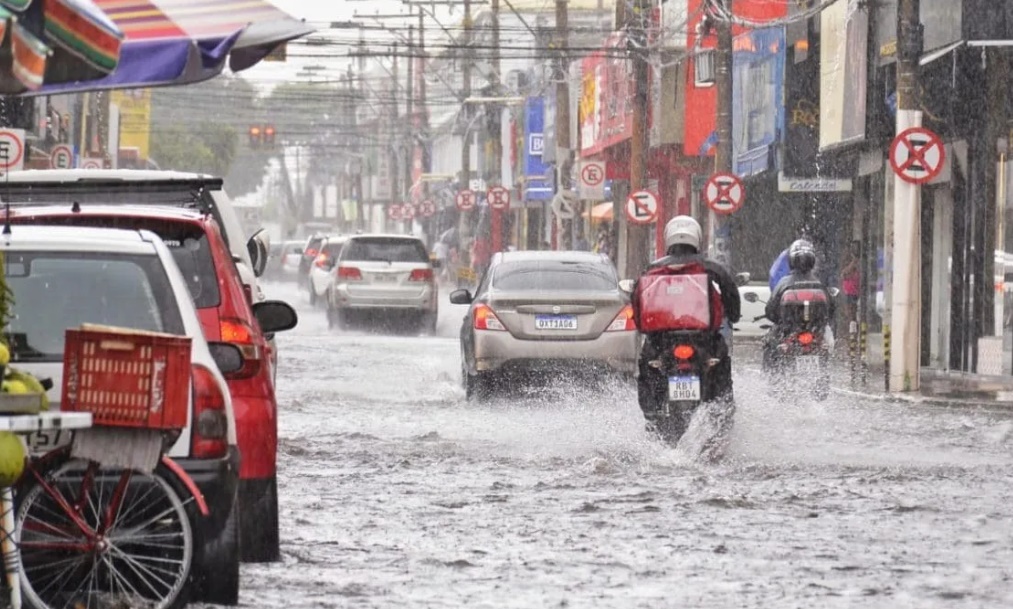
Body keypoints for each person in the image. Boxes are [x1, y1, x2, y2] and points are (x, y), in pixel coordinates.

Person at [633, 216, 742, 354]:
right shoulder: (710, 267)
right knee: (720, 355)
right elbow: (729, 288)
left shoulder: (653, 270)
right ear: (697, 238)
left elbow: (637, 297)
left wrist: (641, 325)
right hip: (704, 338)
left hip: (661, 339)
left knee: (648, 360)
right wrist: (733, 314)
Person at [766, 239, 836, 325]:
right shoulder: (818, 283)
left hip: (788, 331)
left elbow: (770, 311)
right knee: (828, 336)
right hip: (816, 330)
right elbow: (831, 310)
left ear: (791, 260)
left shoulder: (783, 283)